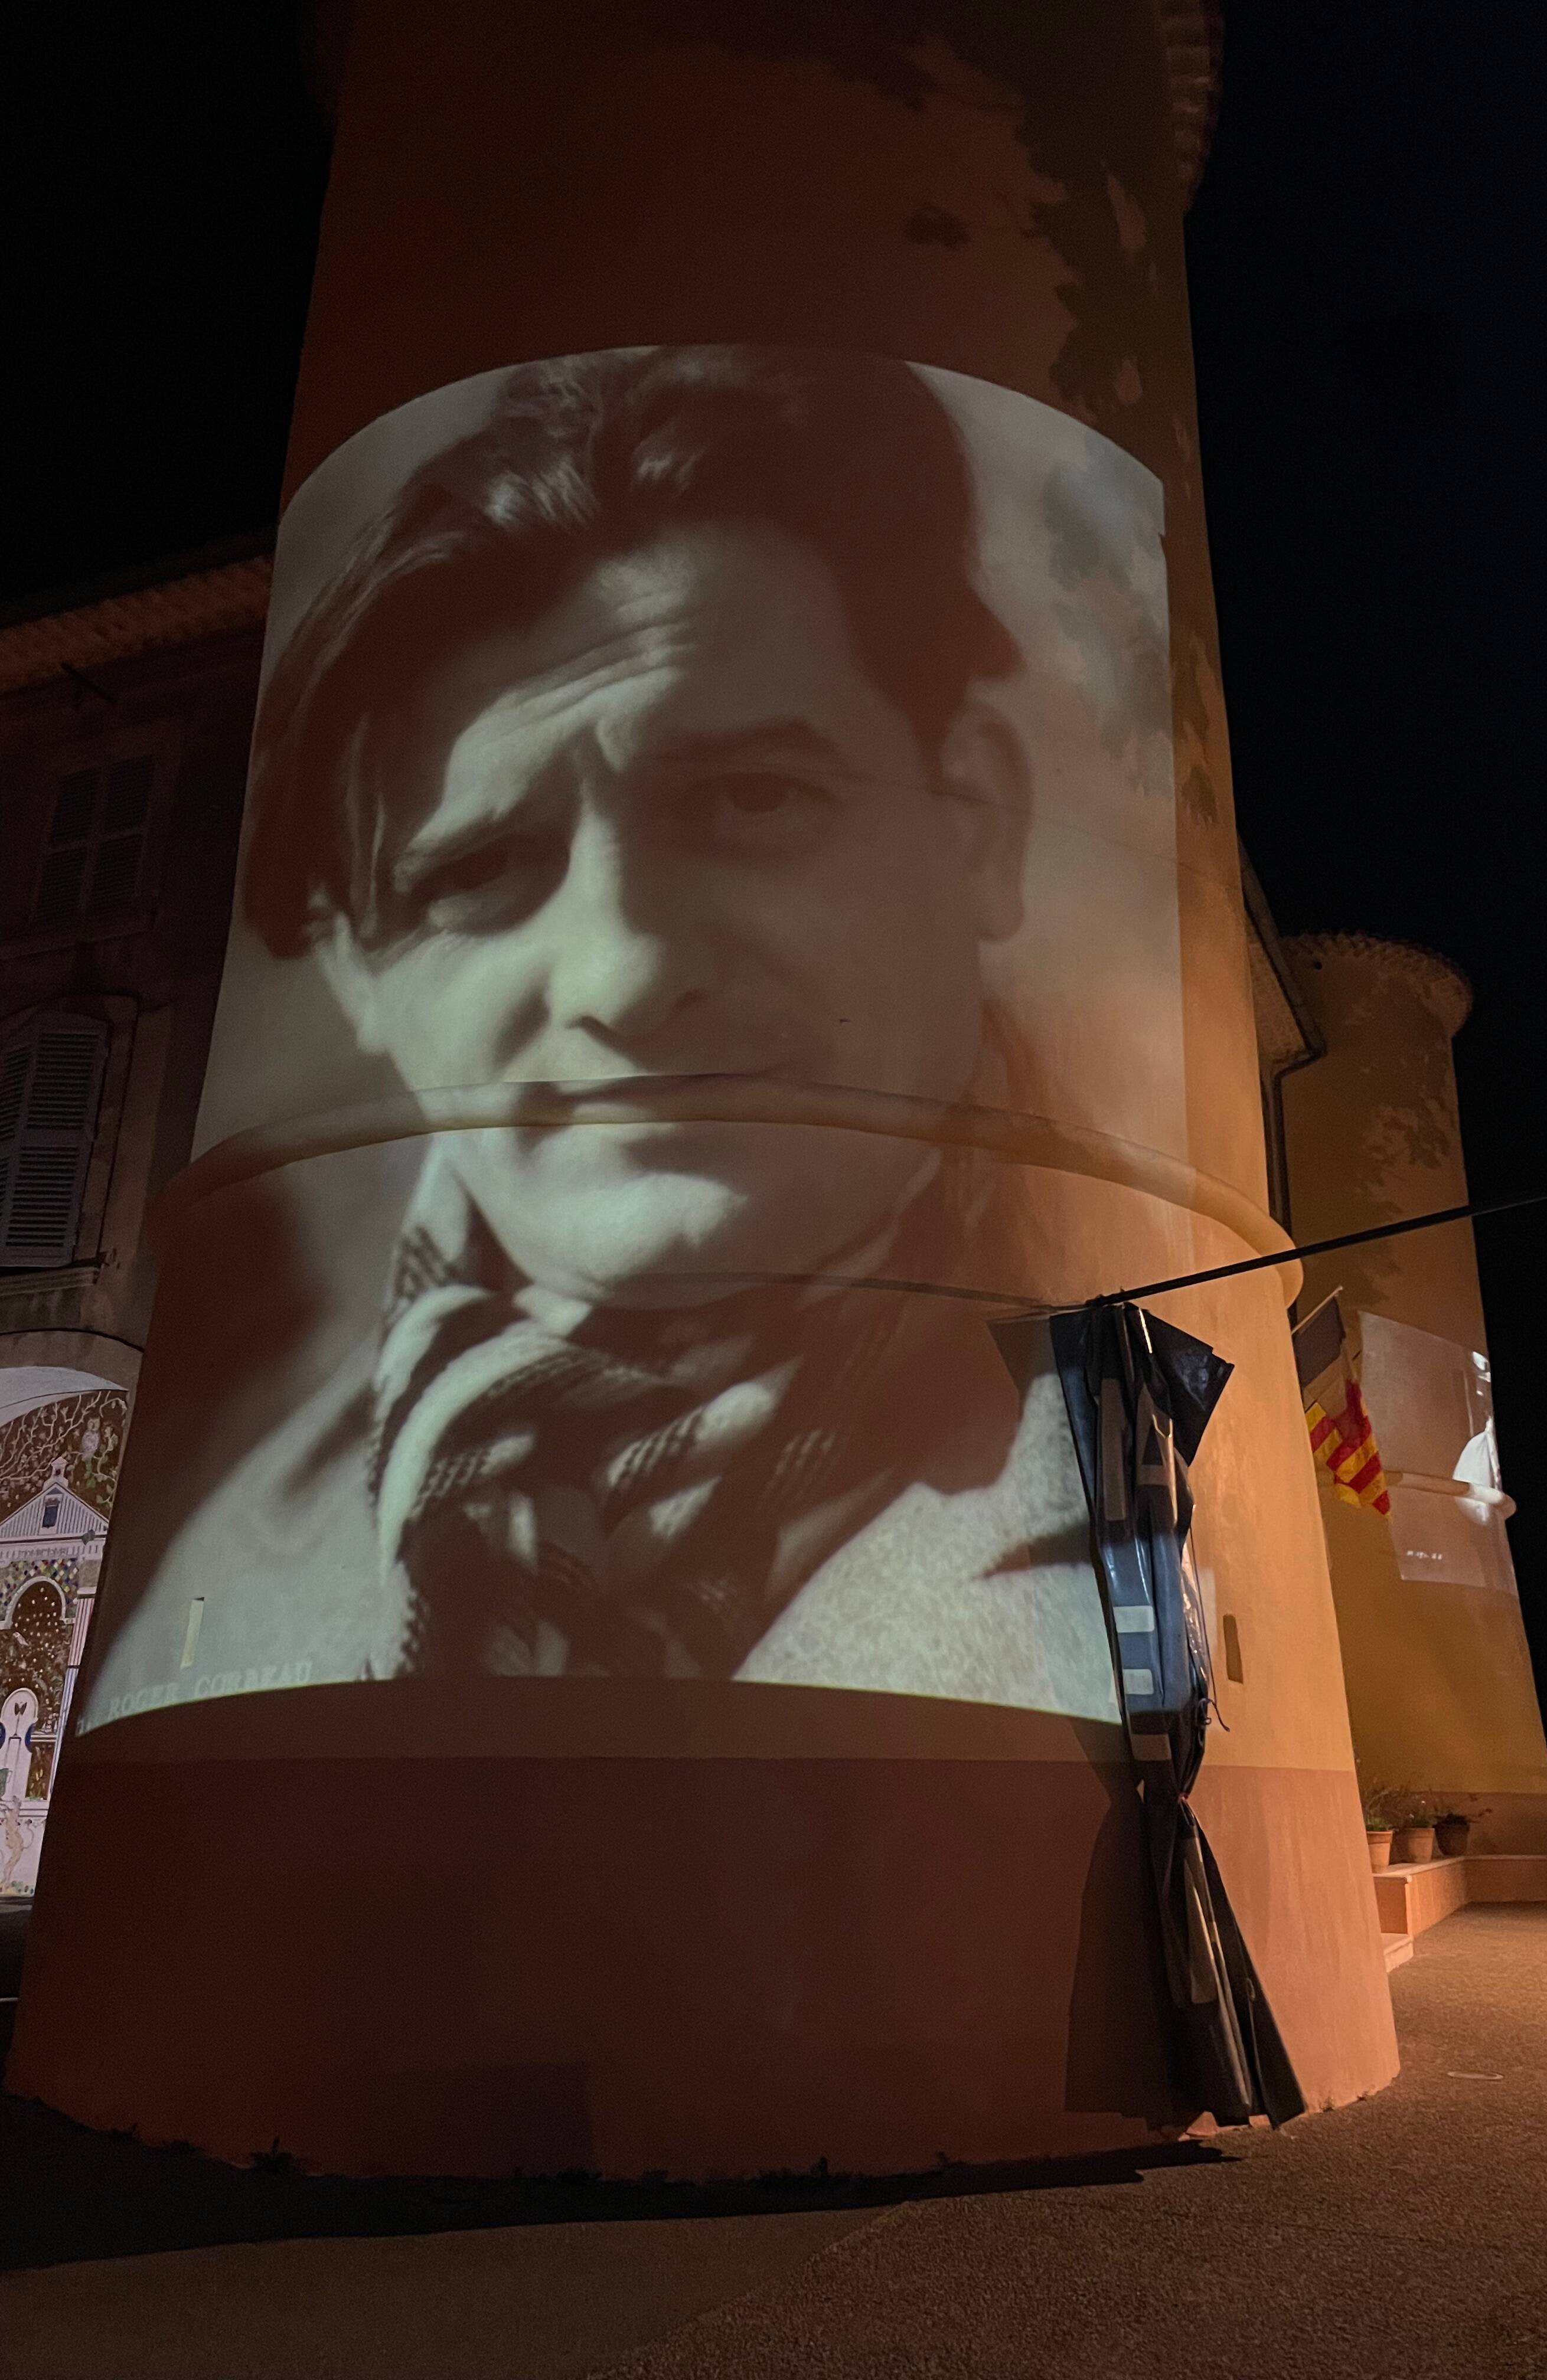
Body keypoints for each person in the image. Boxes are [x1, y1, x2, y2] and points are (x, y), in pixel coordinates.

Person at [82, 348, 1118, 1714]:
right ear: (359, 977)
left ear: (978, 822)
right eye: (480, 871)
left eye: (753, 797)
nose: (625, 971)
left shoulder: (1141, 1440)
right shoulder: (214, 1572)